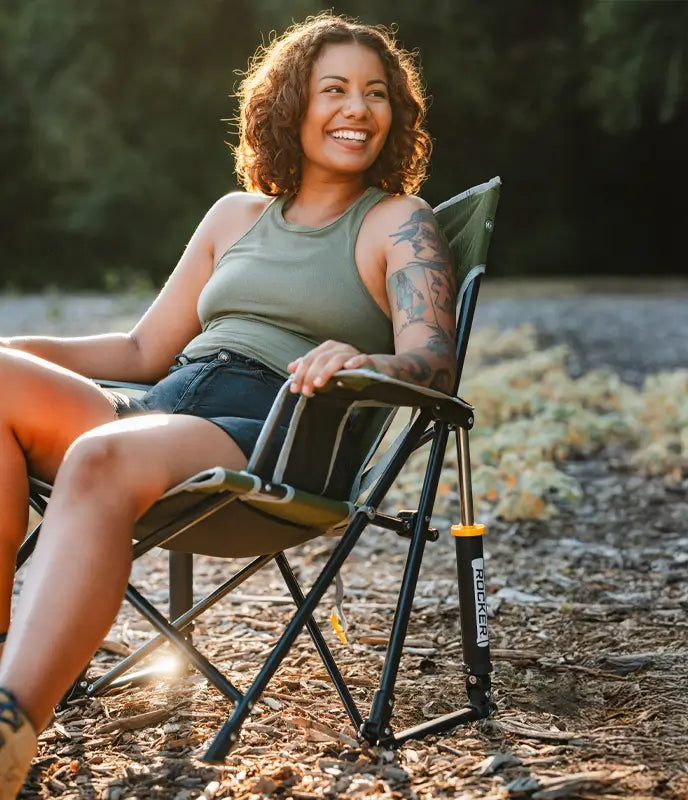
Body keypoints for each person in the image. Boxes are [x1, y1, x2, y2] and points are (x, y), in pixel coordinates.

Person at [0, 13, 456, 797]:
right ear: (290, 104)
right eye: (335, 89)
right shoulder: (234, 215)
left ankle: (9, 730)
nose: (358, 108)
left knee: (101, 456)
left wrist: (365, 358)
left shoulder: (395, 223)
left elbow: (434, 362)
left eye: (376, 93)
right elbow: (144, 353)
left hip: (273, 432)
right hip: (167, 402)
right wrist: (16, 350)